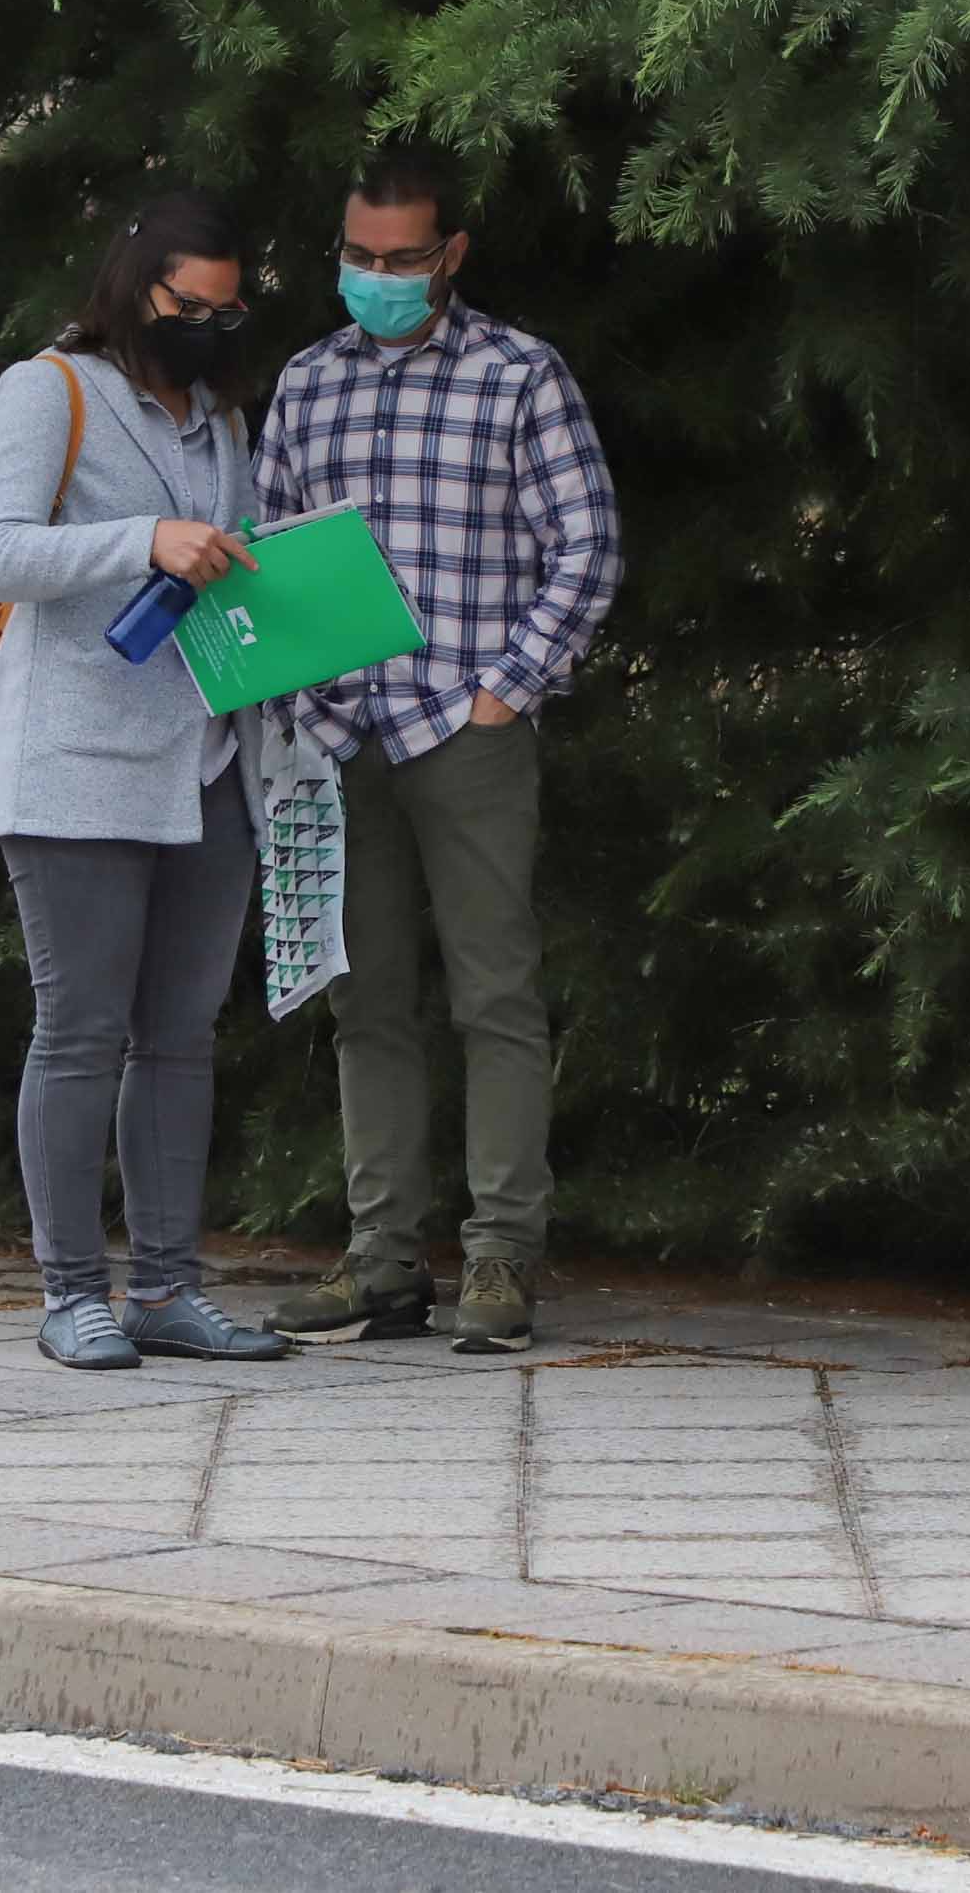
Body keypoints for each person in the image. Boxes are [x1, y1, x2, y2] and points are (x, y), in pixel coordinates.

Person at [255, 153, 622, 1355]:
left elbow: (586, 548)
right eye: (357, 257)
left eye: (402, 259)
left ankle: (503, 1258)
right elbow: (266, 552)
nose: (376, 278)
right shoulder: (306, 382)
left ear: (451, 254)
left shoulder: (518, 375)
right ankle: (381, 1267)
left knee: (494, 996)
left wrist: (503, 693)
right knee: (363, 1004)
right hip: (334, 730)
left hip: (463, 731)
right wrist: (290, 703)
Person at [0, 192, 291, 1370]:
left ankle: (165, 1287)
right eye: (184, 305)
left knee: (179, 1037)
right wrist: (142, 537)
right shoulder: (45, 389)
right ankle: (70, 1293)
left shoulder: (216, 418)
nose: (207, 326)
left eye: (227, 309)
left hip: (204, 761)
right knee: (80, 1031)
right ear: (131, 285)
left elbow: (237, 566)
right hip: (77, 766)